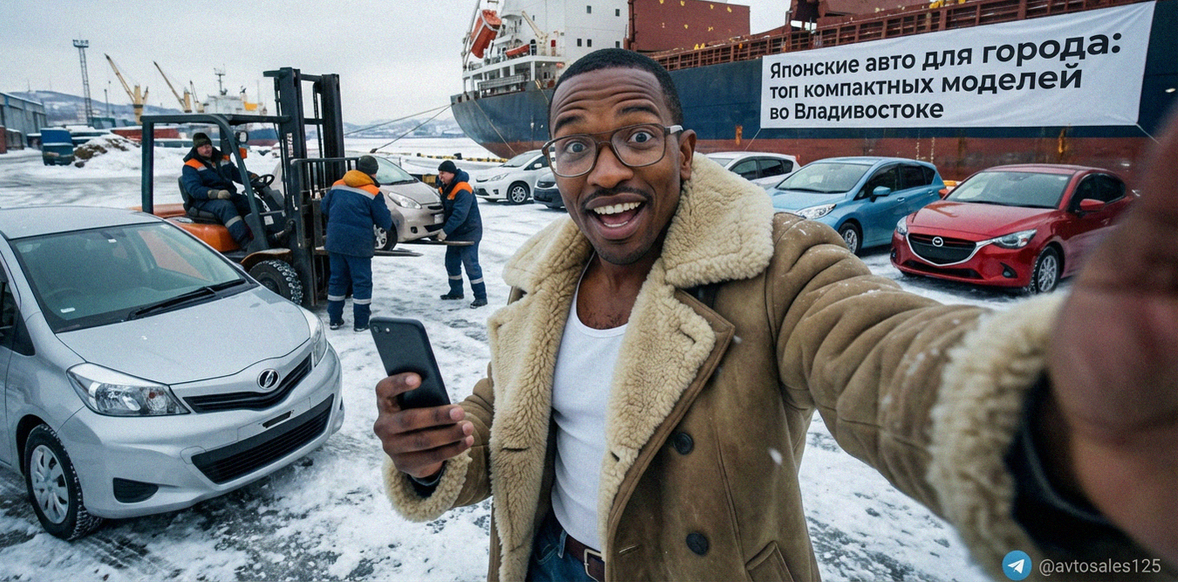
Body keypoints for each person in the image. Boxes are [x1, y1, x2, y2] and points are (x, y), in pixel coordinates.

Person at [374, 49, 1177, 581]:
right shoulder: (541, 281)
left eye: (638, 137)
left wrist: (1055, 414)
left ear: (686, 153)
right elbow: (502, 419)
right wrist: (434, 453)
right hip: (545, 562)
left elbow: (876, 349)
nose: (606, 170)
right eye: (575, 146)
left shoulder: (776, 261)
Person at [322, 155, 392, 331]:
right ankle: (361, 323)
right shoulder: (373, 192)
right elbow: (385, 222)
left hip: (336, 242)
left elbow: (324, 207)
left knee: (337, 280)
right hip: (358, 245)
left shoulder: (338, 185)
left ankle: (334, 320)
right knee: (361, 282)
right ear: (374, 173)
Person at [181, 131, 253, 246]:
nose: (206, 149)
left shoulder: (221, 159)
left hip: (226, 195)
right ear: (196, 149)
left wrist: (252, 177)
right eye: (202, 147)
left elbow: (237, 174)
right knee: (226, 207)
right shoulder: (190, 166)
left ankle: (265, 233)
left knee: (251, 202)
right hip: (203, 200)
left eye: (208, 145)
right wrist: (215, 194)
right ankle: (245, 242)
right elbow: (194, 189)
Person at [436, 159, 487, 308]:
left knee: (471, 264)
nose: (440, 176)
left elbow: (459, 215)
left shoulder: (463, 188)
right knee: (451, 263)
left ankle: (481, 297)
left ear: (452, 173)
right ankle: (456, 291)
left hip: (469, 232)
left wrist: (444, 231)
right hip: (455, 232)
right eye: (439, 173)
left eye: (443, 173)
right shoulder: (444, 188)